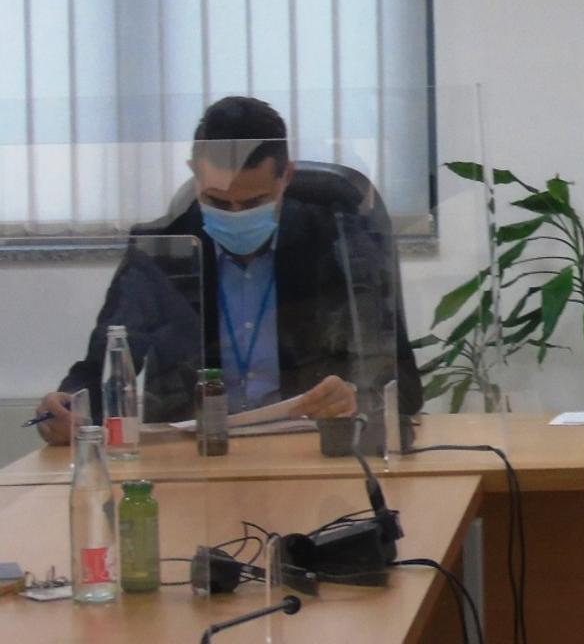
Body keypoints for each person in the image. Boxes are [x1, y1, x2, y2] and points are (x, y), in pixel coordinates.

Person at [34, 96, 423, 445]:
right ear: (195, 174)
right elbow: (101, 366)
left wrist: (357, 396)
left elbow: (403, 384)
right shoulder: (163, 250)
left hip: (304, 450)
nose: (235, 215)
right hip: (195, 455)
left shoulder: (338, 244)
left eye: (254, 202)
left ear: (286, 177)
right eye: (217, 202)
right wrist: (67, 406)